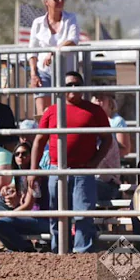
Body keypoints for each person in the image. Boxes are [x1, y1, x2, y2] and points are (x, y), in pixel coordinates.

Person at [31, 71, 112, 253]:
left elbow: (108, 139)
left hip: (83, 170)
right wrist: (33, 170)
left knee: (83, 214)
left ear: (83, 88)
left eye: (77, 84)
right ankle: (59, 251)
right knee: (57, 215)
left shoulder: (94, 111)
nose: (73, 88)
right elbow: (39, 141)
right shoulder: (52, 110)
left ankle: (82, 254)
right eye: (69, 85)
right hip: (56, 169)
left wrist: (94, 163)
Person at [0, 142, 49, 252]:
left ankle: (26, 249)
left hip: (40, 218)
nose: (20, 156)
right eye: (17, 154)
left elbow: (28, 206)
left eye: (24, 154)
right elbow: (22, 195)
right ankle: (16, 247)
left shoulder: (34, 175)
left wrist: (4, 216)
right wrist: (10, 189)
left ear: (31, 156)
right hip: (28, 217)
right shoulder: (20, 174)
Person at [28, 0, 80, 116]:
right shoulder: (38, 23)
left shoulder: (71, 19)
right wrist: (34, 75)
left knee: (66, 113)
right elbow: (32, 51)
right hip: (44, 72)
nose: (60, 1)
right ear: (47, 2)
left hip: (67, 73)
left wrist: (53, 52)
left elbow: (72, 40)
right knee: (43, 114)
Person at [91, 93, 128, 200]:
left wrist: (111, 154)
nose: (98, 101)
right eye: (96, 98)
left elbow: (125, 148)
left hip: (107, 177)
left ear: (110, 102)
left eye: (101, 98)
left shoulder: (117, 121)